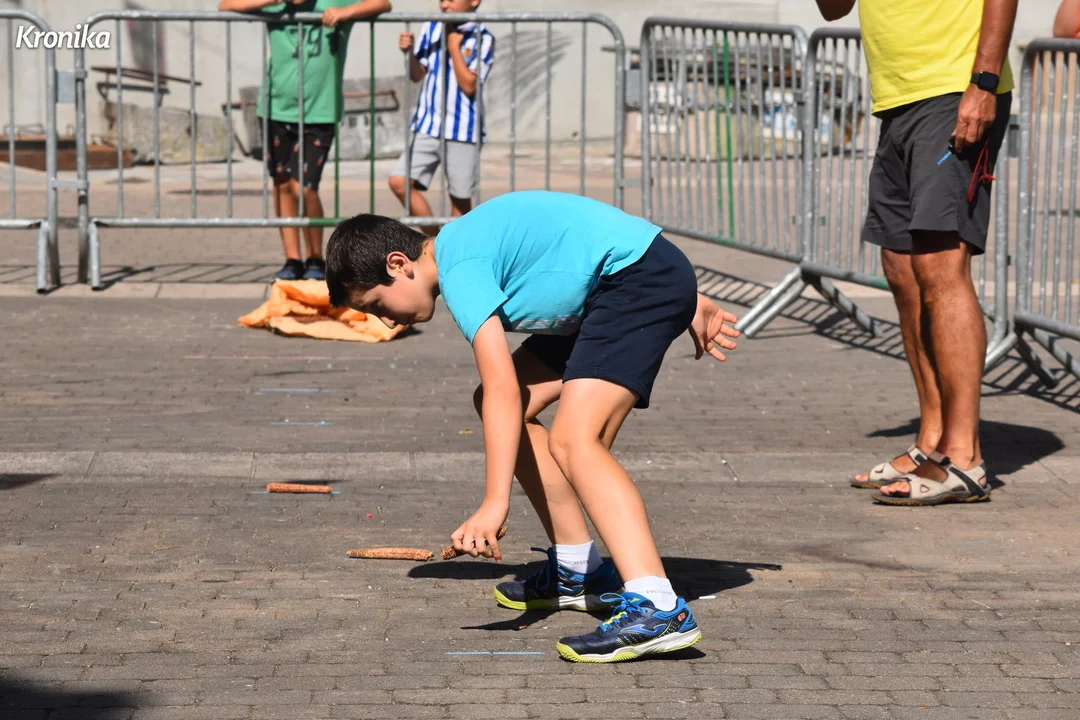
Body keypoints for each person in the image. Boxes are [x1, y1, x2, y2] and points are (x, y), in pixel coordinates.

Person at [325, 191, 740, 662]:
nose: (385, 322)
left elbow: (502, 385)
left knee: (575, 440)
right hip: (616, 288)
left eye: (376, 304)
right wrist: (685, 295)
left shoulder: (460, 267)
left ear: (399, 264)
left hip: (632, 282)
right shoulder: (460, 249)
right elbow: (566, 249)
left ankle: (657, 607)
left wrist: (494, 504)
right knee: (505, 409)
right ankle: (578, 570)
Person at [815, 0, 1016, 505]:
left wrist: (984, 82)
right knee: (902, 267)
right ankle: (932, 441)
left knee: (939, 266)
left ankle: (964, 457)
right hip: (897, 97)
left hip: (955, 88)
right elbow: (834, 9)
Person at [218, 0, 392, 281]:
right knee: (282, 184)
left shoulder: (334, 3)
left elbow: (383, 3)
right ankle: (292, 259)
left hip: (319, 112)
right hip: (275, 109)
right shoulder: (276, 5)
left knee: (305, 188)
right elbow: (226, 5)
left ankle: (315, 257)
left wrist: (346, 13)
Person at [388, 0, 494, 236]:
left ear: (474, 2)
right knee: (399, 180)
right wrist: (409, 53)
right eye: (441, 0)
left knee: (460, 198)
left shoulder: (483, 38)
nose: (444, 5)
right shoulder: (432, 27)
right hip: (427, 125)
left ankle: (455, 251)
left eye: (451, 0)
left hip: (462, 129)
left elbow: (469, 86)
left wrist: (453, 46)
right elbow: (417, 75)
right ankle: (436, 241)